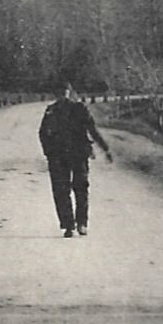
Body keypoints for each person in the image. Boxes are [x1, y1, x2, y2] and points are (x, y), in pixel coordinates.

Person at [38, 82, 112, 237]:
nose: (63, 95)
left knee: (71, 190)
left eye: (63, 92)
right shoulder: (58, 110)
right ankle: (75, 225)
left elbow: (91, 129)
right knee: (71, 190)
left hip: (71, 155)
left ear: (67, 93)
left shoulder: (71, 109)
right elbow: (43, 133)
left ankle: (76, 224)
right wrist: (105, 149)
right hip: (67, 155)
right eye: (61, 92)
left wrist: (105, 148)